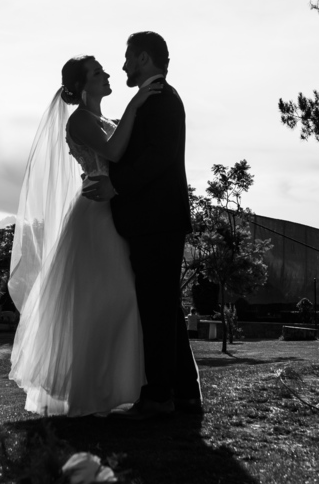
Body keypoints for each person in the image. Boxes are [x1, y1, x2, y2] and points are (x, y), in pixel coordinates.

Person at [8, 53, 163, 416]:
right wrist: (137, 103)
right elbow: (112, 151)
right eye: (97, 72)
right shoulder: (79, 121)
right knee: (106, 299)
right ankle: (87, 395)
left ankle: (112, 390)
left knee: (119, 298)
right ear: (80, 86)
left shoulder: (102, 118)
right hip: (95, 213)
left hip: (115, 208)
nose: (107, 74)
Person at [84, 31, 203, 419]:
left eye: (128, 59)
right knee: (164, 309)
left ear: (145, 59)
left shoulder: (162, 100)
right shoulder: (152, 100)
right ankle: (185, 393)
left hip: (157, 220)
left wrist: (116, 184)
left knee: (156, 310)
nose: (123, 67)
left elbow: (160, 158)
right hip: (153, 220)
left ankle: (158, 396)